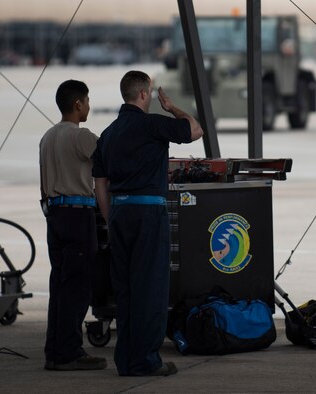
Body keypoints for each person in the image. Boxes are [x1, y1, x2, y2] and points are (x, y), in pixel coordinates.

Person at [92, 70, 203, 376]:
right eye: (151, 93)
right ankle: (146, 361)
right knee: (150, 288)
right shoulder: (152, 125)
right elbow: (195, 130)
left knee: (125, 291)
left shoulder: (108, 134)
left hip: (119, 214)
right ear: (143, 94)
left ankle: (126, 360)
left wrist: (110, 217)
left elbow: (100, 184)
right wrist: (172, 109)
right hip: (147, 214)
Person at [39, 80, 107, 371]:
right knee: (78, 287)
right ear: (78, 104)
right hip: (78, 215)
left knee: (60, 285)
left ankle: (54, 351)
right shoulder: (82, 137)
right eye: (88, 101)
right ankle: (69, 352)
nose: (89, 106)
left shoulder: (47, 136)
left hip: (54, 216)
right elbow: (108, 165)